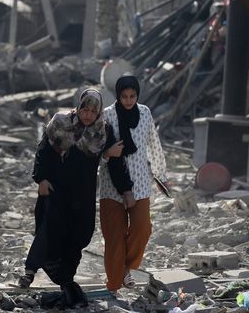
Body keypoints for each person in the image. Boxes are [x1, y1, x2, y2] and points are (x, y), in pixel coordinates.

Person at [25, 89, 119, 308]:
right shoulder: (60, 123)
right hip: (56, 190)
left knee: (80, 235)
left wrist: (125, 188)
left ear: (98, 112)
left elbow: (114, 158)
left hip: (83, 195)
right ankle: (30, 271)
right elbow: (43, 151)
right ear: (78, 107)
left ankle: (66, 278)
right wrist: (41, 179)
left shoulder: (103, 132)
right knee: (50, 230)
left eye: (92, 110)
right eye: (84, 109)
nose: (87, 114)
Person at [98, 75, 168, 294]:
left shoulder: (145, 113)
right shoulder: (107, 115)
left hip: (140, 182)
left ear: (137, 95)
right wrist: (107, 154)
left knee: (142, 229)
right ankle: (113, 286)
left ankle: (126, 268)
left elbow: (153, 143)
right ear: (118, 96)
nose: (128, 101)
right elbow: (98, 149)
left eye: (132, 96)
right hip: (111, 184)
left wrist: (160, 175)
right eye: (124, 96)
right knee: (114, 237)